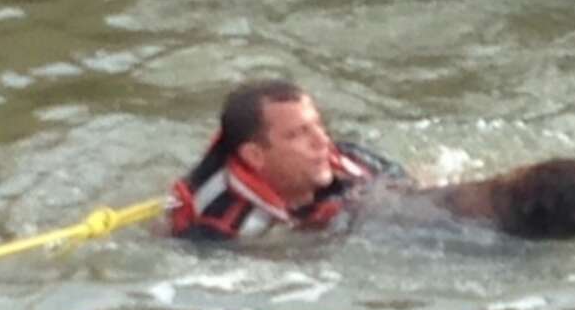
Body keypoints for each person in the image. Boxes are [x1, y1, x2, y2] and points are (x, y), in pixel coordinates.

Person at [169, 80, 404, 240]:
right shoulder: (224, 227)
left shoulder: (348, 159)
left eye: (318, 125)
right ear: (255, 156)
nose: (322, 141)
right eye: (297, 134)